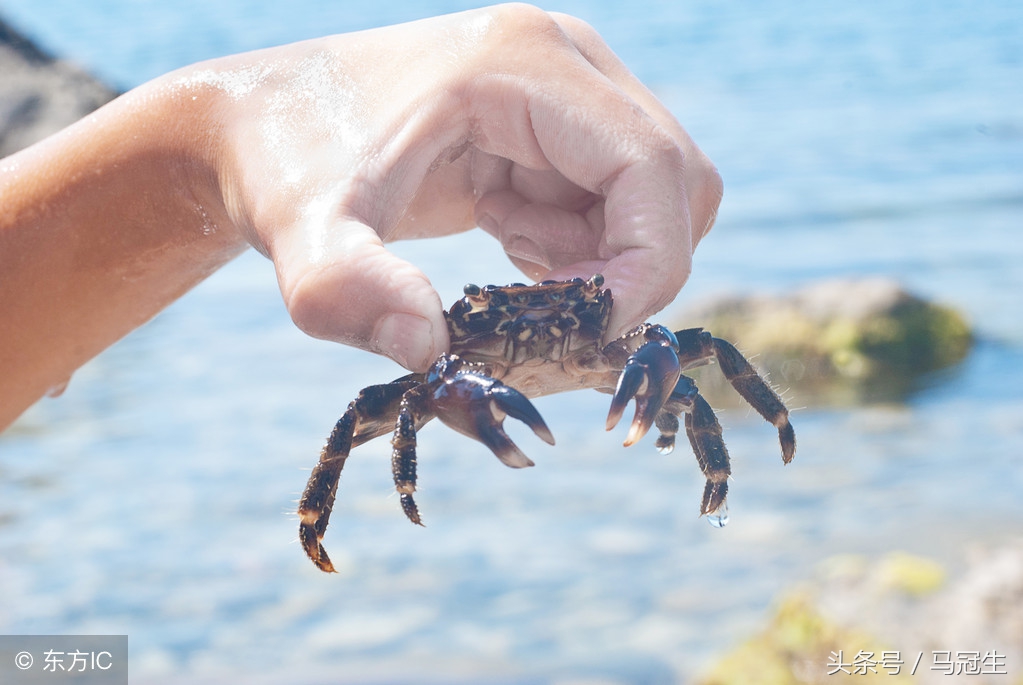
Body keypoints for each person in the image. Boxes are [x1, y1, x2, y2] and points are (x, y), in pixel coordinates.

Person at [0, 4, 722, 431]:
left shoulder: (604, 338)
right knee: (370, 417)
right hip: (470, 363)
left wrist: (208, 148)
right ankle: (321, 520)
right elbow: (367, 422)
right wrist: (221, 133)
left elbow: (688, 354)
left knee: (695, 350)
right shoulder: (450, 352)